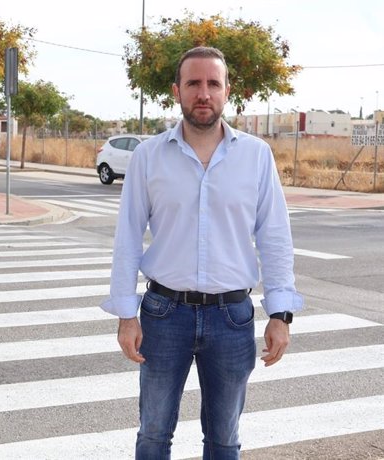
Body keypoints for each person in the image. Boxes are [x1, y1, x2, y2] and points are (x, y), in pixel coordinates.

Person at [100, 46, 303, 460]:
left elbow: (275, 238)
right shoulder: (148, 156)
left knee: (225, 438)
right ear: (177, 90)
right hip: (163, 314)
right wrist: (126, 315)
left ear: (228, 92)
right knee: (154, 433)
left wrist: (280, 315)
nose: (203, 93)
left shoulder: (256, 156)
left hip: (232, 318)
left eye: (213, 83)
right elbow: (127, 238)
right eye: (194, 83)